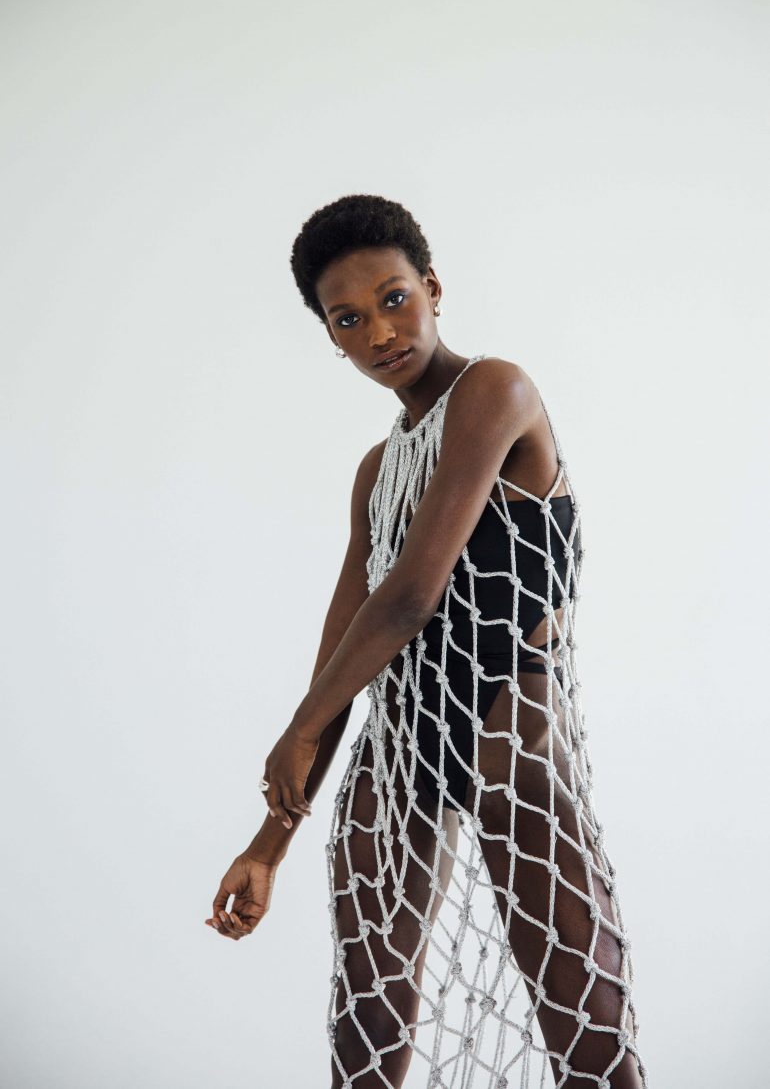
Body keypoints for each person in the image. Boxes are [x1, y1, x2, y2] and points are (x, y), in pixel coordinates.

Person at [205, 194, 648, 1088]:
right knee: (366, 1020)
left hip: (507, 731)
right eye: (348, 319)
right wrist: (268, 845)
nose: (379, 331)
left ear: (433, 288)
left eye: (394, 299)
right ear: (331, 338)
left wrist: (297, 729)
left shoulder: (496, 390)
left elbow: (411, 595)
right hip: (399, 745)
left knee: (583, 1017)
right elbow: (344, 652)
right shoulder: (377, 470)